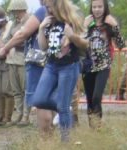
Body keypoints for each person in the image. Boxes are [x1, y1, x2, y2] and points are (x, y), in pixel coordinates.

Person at [35, 0, 88, 142]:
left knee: (63, 108)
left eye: (51, 7)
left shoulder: (73, 20)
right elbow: (42, 46)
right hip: (51, 65)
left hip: (69, 66)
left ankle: (66, 143)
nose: (50, 10)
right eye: (48, 8)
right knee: (39, 99)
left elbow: (85, 43)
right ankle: (64, 107)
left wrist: (71, 36)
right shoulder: (49, 21)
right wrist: (41, 28)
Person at [0, 0, 54, 135]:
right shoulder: (66, 11)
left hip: (35, 59)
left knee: (36, 96)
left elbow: (22, 35)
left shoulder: (39, 14)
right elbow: (8, 38)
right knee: (19, 91)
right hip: (47, 59)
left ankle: (42, 133)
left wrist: (5, 48)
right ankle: (55, 134)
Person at [82, 0, 122, 128]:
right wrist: (83, 27)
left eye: (99, 7)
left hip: (103, 65)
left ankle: (98, 126)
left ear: (104, 7)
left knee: (96, 97)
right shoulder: (88, 23)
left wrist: (115, 26)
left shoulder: (108, 24)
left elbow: (121, 45)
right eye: (94, 7)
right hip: (88, 65)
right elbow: (79, 43)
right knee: (89, 100)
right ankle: (93, 128)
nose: (97, 9)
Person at [4, 0, 29, 126]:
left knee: (26, 89)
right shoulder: (14, 23)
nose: (13, 13)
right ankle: (19, 115)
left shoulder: (30, 20)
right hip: (12, 58)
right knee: (16, 90)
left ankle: (26, 115)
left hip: (24, 59)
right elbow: (6, 39)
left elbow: (24, 38)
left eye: (14, 10)